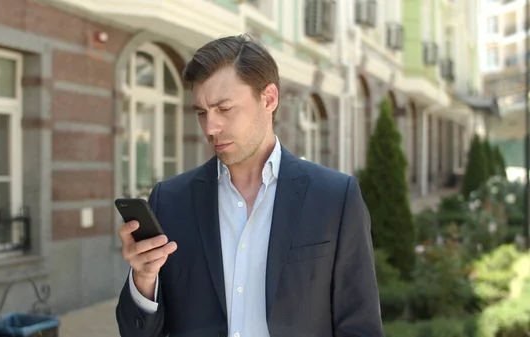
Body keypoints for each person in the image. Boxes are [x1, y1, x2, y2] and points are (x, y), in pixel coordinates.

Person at [116, 34, 384, 337]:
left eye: (224, 108)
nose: (211, 127)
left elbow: (360, 327)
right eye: (202, 112)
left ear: (268, 99)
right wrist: (144, 278)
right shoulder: (170, 200)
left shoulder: (335, 198)